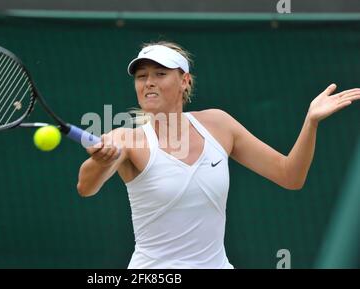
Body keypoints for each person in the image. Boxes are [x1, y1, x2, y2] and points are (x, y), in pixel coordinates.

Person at [76, 41, 360, 269]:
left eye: (160, 74)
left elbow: (290, 176)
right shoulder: (126, 139)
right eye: (142, 77)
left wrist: (310, 122)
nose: (149, 82)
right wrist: (101, 161)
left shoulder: (219, 124)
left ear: (184, 81)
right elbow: (86, 187)